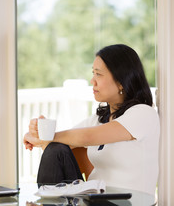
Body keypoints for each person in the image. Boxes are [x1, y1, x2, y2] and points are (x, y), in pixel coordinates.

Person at [24, 44, 160, 196]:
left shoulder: (143, 114)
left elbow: (88, 137)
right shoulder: (99, 119)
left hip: (127, 202)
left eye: (98, 74)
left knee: (55, 144)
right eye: (93, 74)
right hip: (94, 200)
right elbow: (56, 146)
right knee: (56, 149)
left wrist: (45, 137)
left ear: (121, 81)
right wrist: (38, 132)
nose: (92, 81)